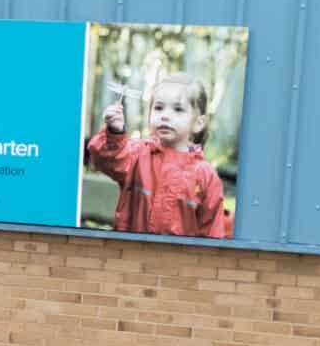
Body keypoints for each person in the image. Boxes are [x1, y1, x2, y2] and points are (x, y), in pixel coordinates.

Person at [83, 64, 230, 238]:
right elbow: (107, 159)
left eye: (178, 109)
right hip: (129, 256)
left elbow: (212, 233)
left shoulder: (205, 176)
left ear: (198, 123)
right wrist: (115, 132)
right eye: (159, 107)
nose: (165, 115)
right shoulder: (138, 154)